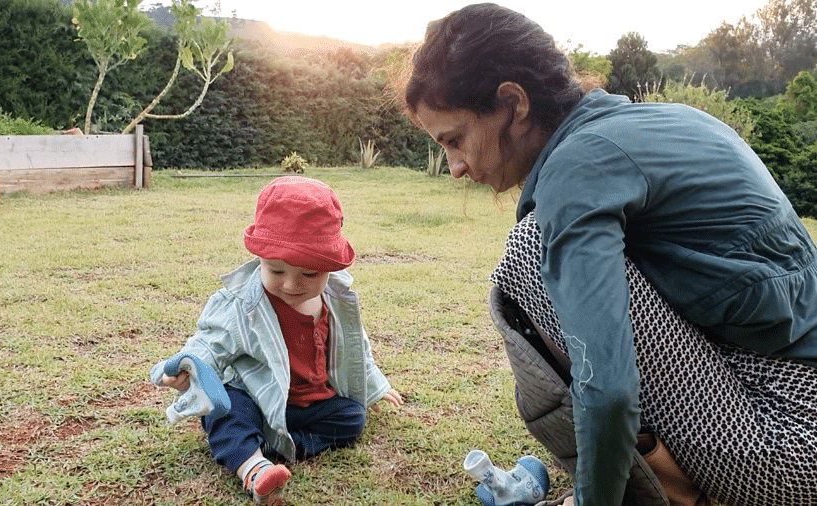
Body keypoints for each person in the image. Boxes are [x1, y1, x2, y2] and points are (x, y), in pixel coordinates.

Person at [404, 3, 817, 506]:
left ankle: (673, 495)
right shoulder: (667, 121)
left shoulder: (577, 168)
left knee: (531, 251)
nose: (455, 167)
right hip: (778, 398)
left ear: (513, 103)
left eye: (455, 140)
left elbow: (609, 388)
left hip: (792, 445)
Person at [149, 176, 403, 505]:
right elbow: (209, 342)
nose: (291, 285)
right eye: (277, 271)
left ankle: (277, 445)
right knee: (226, 407)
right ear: (260, 260)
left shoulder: (336, 299)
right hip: (256, 398)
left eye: (309, 274)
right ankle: (254, 469)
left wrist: (377, 385)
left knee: (352, 416)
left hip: (304, 405)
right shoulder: (244, 303)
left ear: (328, 267)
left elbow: (354, 350)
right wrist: (186, 367)